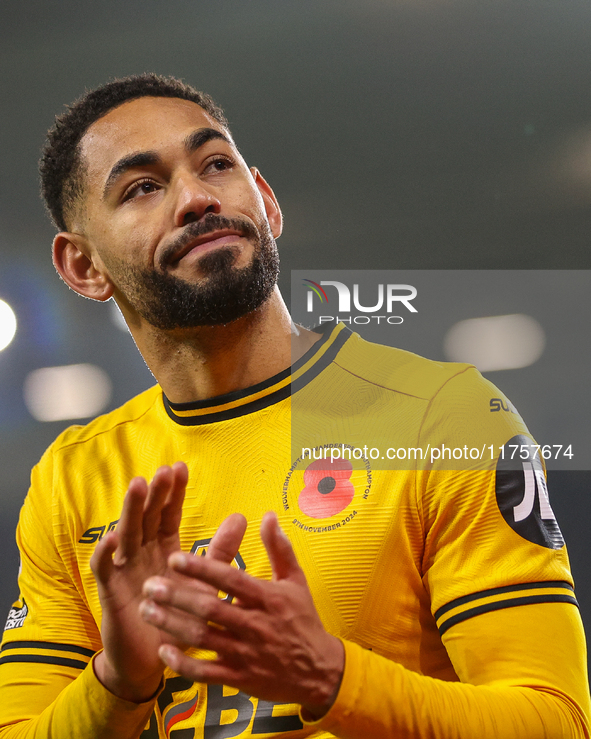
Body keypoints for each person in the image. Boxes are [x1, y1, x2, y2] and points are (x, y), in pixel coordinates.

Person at [0, 73, 589, 739]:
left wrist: (330, 678)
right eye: (142, 187)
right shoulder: (71, 481)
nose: (196, 197)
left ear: (267, 204)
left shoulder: (444, 416)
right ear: (83, 266)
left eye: (215, 163)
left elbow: (554, 721)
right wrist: (120, 680)